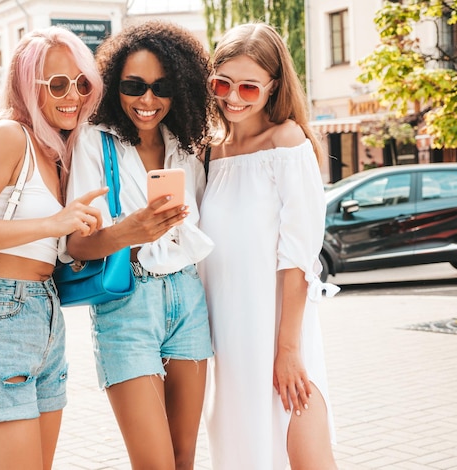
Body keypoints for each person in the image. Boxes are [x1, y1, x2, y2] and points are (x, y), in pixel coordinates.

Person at [0, 27, 107, 470]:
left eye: (82, 82)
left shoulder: (55, 152)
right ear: (28, 86)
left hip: (42, 318)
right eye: (58, 84)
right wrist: (52, 223)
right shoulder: (9, 136)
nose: (74, 95)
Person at [64, 20, 214, 469]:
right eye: (133, 86)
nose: (147, 100)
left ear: (180, 88)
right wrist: (136, 230)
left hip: (188, 298)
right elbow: (76, 247)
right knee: (154, 462)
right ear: (114, 87)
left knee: (184, 456)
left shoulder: (186, 147)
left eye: (161, 87)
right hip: (128, 305)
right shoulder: (94, 141)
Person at [198, 23, 340, 470]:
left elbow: (299, 257)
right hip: (225, 330)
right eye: (223, 83)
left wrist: (288, 350)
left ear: (273, 86)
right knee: (243, 449)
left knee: (303, 448)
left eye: (249, 87)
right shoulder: (210, 153)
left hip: (277, 327)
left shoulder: (287, 142)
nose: (233, 97)